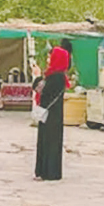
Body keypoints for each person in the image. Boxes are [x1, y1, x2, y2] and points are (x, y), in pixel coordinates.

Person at [33, 46, 71, 181]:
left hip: (51, 116)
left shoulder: (57, 77)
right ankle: (45, 171)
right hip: (50, 114)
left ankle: (49, 172)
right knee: (46, 141)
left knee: (50, 142)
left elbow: (41, 89)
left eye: (51, 57)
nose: (48, 60)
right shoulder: (54, 75)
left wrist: (37, 76)